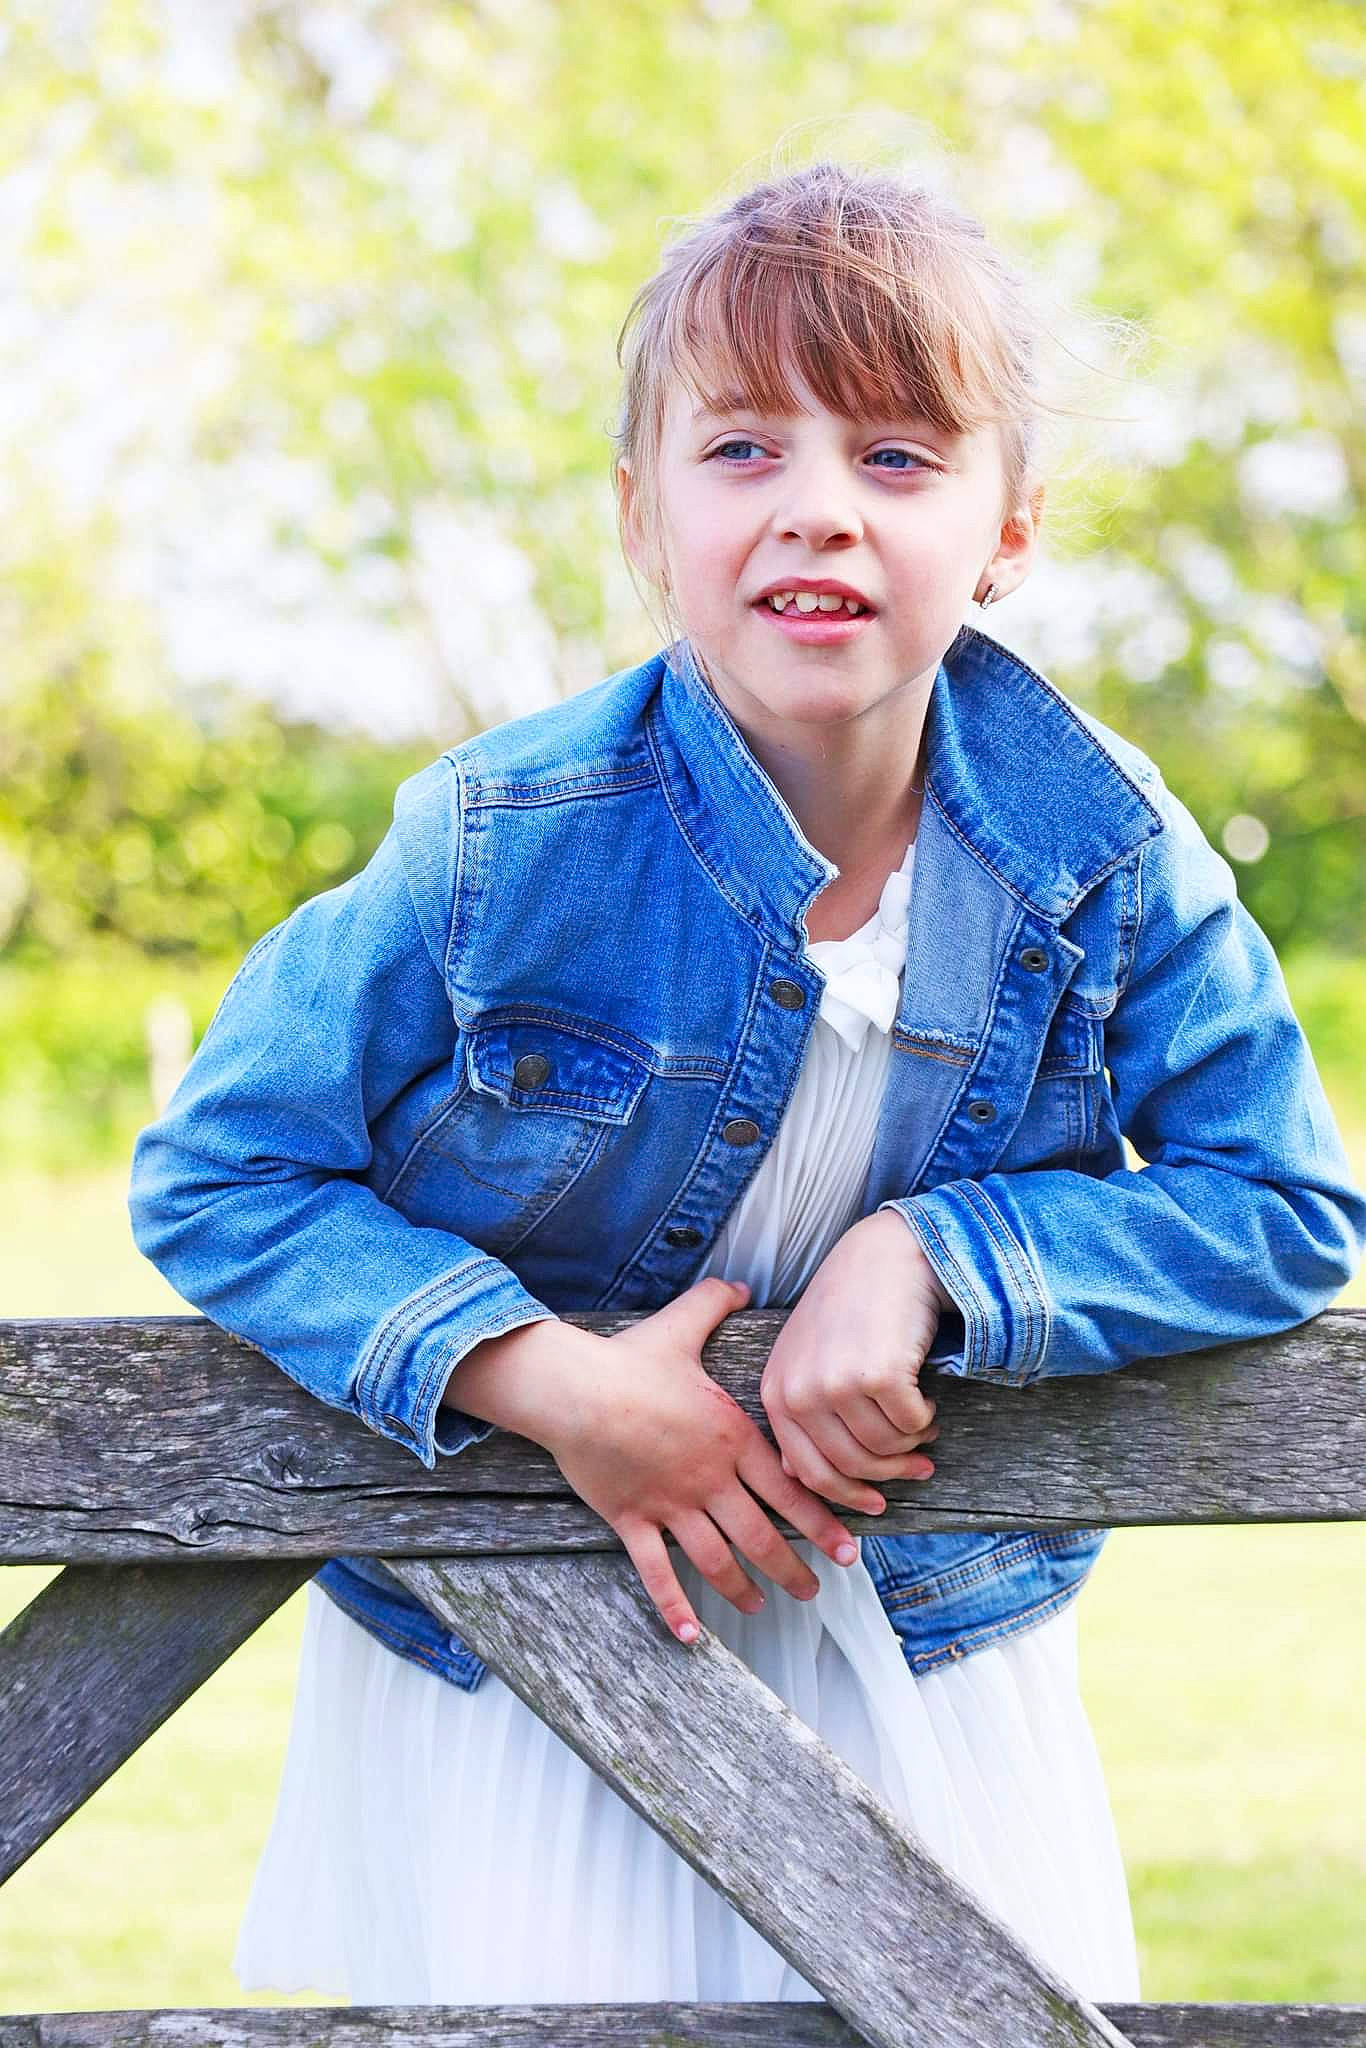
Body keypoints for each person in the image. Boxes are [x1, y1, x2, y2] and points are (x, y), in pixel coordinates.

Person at [127, 158, 1365, 2008]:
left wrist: (938, 1255)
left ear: (1006, 527)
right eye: (739, 453)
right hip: (523, 1649)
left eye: (893, 455)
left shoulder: (1095, 852)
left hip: (922, 1647)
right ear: (641, 516)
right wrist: (550, 1385)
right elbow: (222, 1176)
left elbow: (1281, 1207)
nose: (815, 513)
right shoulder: (496, 841)